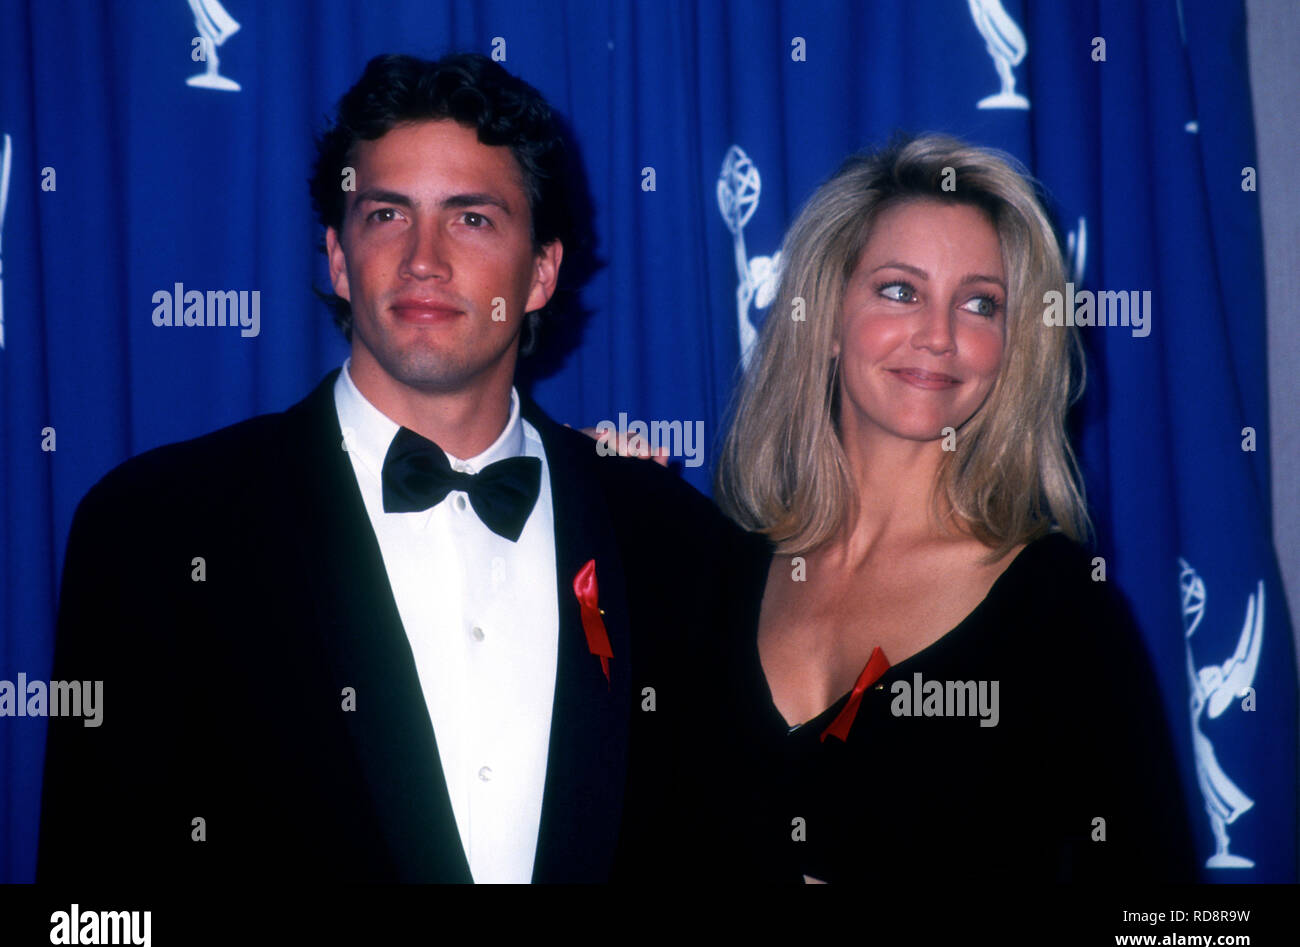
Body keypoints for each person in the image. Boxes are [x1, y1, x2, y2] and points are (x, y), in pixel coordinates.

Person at [38, 52, 787, 884]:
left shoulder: (674, 543)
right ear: (336, 256)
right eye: (387, 215)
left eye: (472, 219)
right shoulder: (155, 529)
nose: (423, 258)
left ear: (540, 272)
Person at [715, 134, 1198, 883]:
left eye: (980, 304)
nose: (939, 337)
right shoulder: (716, 575)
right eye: (901, 290)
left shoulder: (1059, 608)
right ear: (827, 317)